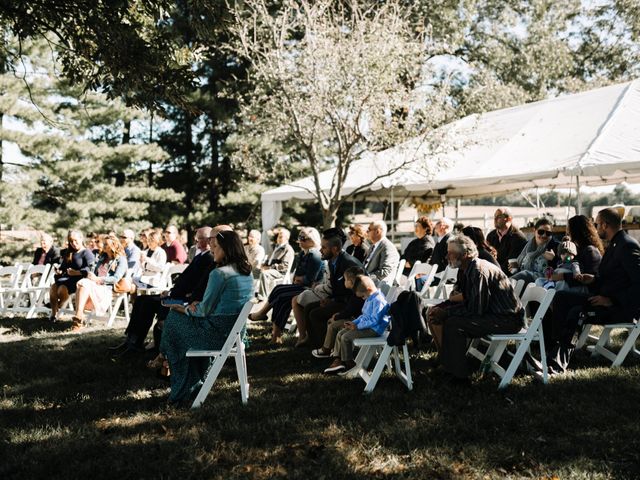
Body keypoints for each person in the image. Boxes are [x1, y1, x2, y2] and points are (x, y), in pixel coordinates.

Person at [160, 230, 254, 405]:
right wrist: (194, 307)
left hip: (216, 334)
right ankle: (185, 376)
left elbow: (203, 311)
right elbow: (217, 306)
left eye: (216, 247)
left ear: (227, 249)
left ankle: (177, 380)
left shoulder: (219, 273)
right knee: (179, 327)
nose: (212, 250)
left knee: (173, 319)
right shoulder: (246, 272)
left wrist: (183, 308)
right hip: (234, 333)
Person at [547, 208, 640, 374]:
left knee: (577, 311)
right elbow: (613, 278)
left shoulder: (627, 245)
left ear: (605, 225)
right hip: (603, 299)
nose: (595, 227)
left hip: (619, 308)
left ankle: (558, 361)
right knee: (560, 297)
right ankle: (555, 348)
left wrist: (612, 300)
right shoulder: (615, 243)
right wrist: (593, 279)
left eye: (597, 224)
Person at [427, 234, 524, 381]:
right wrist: (445, 310)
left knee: (452, 323)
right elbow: (468, 300)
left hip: (507, 320)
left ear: (465, 254)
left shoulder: (478, 271)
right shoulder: (467, 268)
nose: (447, 256)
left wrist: (446, 313)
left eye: (451, 253)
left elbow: (476, 309)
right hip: (494, 314)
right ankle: (448, 365)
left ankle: (459, 377)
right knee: (446, 318)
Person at [111, 226, 217, 357]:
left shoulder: (208, 258)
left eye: (199, 239)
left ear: (209, 240)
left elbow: (197, 285)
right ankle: (131, 340)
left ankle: (139, 345)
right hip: (177, 295)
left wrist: (172, 294)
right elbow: (184, 279)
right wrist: (170, 291)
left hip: (184, 300)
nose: (195, 241)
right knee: (141, 300)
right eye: (196, 238)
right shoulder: (200, 255)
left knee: (150, 303)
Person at [248, 227, 324, 344]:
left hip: (313, 289)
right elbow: (298, 275)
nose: (299, 240)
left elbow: (310, 279)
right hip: (303, 286)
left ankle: (265, 317)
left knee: (280, 292)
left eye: (303, 238)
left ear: (312, 240)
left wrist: (299, 279)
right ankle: (276, 336)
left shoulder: (314, 254)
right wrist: (298, 278)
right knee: (281, 295)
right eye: (299, 237)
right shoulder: (305, 254)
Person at [293, 230, 362, 348]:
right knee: (309, 307)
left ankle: (326, 348)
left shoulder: (349, 264)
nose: (320, 250)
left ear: (334, 249)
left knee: (316, 314)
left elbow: (357, 294)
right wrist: (330, 299)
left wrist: (336, 305)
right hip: (340, 300)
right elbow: (336, 288)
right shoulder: (332, 261)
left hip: (353, 305)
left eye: (324, 248)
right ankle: (313, 341)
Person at [323, 275, 390, 375]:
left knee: (346, 337)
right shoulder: (370, 297)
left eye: (362, 296)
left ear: (369, 289)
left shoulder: (379, 301)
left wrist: (357, 326)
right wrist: (354, 323)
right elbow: (364, 316)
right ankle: (338, 359)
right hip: (366, 327)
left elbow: (375, 320)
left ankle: (349, 363)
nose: (363, 299)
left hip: (374, 330)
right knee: (341, 333)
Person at [71, 234, 128, 330]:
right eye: (104, 243)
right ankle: (79, 316)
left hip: (107, 288)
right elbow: (94, 272)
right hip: (94, 285)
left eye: (106, 244)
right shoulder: (102, 258)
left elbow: (115, 278)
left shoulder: (121, 260)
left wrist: (98, 279)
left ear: (113, 245)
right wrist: (91, 275)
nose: (103, 245)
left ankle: (78, 318)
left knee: (83, 283)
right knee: (83, 282)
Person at [311, 266, 366, 359]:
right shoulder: (354, 293)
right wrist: (338, 315)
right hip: (355, 319)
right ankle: (331, 348)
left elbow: (349, 311)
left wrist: (337, 317)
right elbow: (348, 309)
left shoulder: (357, 296)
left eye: (345, 279)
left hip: (357, 322)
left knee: (333, 324)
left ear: (351, 282)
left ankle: (326, 349)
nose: (344, 281)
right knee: (332, 322)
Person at [49, 230, 95, 322]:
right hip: (67, 279)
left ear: (81, 239)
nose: (73, 243)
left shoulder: (86, 252)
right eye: (71, 241)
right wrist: (59, 271)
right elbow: (63, 267)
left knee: (62, 289)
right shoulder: (69, 253)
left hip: (80, 281)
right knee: (53, 287)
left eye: (75, 240)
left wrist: (76, 272)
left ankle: (59, 306)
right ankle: (54, 315)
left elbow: (90, 269)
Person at [510, 218, 558, 285]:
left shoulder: (556, 247)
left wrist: (554, 259)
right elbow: (519, 265)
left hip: (544, 282)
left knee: (524, 274)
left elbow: (566, 262)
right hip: (524, 283)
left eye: (548, 233)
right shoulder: (526, 246)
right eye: (541, 232)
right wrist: (514, 266)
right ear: (534, 231)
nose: (544, 235)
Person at [255, 227, 295, 300]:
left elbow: (284, 266)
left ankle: (262, 297)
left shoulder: (288, 249)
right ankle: (252, 293)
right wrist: (263, 264)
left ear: (287, 238)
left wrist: (269, 268)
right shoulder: (277, 247)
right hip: (272, 269)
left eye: (281, 237)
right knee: (255, 270)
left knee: (265, 273)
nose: (278, 238)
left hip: (279, 272)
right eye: (278, 236)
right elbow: (271, 260)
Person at [487, 207, 528, 275]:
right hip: (492, 272)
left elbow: (510, 263)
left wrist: (494, 273)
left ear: (509, 219)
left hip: (509, 276)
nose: (495, 219)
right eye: (494, 216)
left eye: (499, 217)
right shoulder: (491, 236)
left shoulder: (518, 238)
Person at [362, 220, 400, 285]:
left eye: (369, 230)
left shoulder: (387, 247)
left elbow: (385, 271)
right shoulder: (373, 246)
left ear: (377, 231)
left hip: (374, 285)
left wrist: (365, 278)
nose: (367, 232)